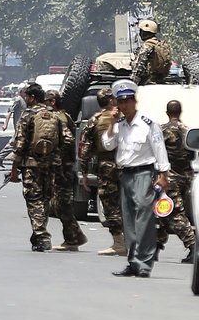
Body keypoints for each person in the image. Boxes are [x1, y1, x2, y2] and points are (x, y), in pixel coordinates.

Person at [101, 79, 170, 278]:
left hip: (144, 174)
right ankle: (133, 262)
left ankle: (144, 263)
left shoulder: (147, 123)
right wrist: (112, 123)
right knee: (129, 220)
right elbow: (108, 144)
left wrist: (163, 175)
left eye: (127, 101)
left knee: (144, 219)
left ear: (134, 101)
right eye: (120, 102)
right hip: (126, 175)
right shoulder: (120, 124)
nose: (124, 106)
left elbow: (159, 148)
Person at [9, 83, 70, 252]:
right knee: (45, 199)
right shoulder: (55, 115)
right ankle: (38, 234)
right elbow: (67, 139)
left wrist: (14, 169)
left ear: (32, 98)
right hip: (51, 165)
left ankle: (42, 236)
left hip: (31, 165)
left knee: (34, 200)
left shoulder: (28, 114)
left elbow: (19, 143)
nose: (25, 99)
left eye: (27, 96)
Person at [79, 88, 127, 256]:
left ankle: (119, 243)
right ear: (111, 100)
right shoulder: (126, 117)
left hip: (107, 167)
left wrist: (84, 173)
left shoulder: (95, 120)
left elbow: (86, 149)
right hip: (128, 165)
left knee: (110, 206)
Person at [45, 90, 88, 252]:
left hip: (62, 168)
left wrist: (59, 159)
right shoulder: (64, 116)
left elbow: (68, 140)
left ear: (53, 102)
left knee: (62, 205)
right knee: (61, 204)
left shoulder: (59, 118)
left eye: (46, 101)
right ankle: (74, 237)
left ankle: (73, 238)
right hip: (63, 167)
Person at [156, 100, 196, 263]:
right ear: (180, 112)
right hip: (186, 177)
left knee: (174, 213)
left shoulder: (162, 131)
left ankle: (193, 246)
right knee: (161, 211)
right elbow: (193, 154)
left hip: (168, 177)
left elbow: (157, 152)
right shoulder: (188, 131)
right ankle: (154, 246)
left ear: (167, 113)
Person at [131, 19, 171, 85]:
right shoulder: (161, 45)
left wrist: (134, 82)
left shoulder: (147, 45)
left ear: (143, 33)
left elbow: (139, 66)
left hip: (147, 81)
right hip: (160, 80)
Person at [0, 85, 27, 168]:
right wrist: (5, 124)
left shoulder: (25, 100)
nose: (27, 93)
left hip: (24, 125)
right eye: (25, 91)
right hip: (19, 125)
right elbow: (10, 112)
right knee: (16, 141)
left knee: (17, 142)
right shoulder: (18, 100)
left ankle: (1, 156)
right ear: (21, 92)